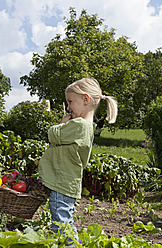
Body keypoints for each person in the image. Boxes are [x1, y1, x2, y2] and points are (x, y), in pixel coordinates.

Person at [38, 78, 118, 244]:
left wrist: (60, 124)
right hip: (65, 184)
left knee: (62, 226)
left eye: (70, 102)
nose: (68, 107)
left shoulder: (80, 125)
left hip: (62, 185)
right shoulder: (84, 126)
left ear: (86, 99)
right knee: (63, 224)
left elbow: (53, 135)